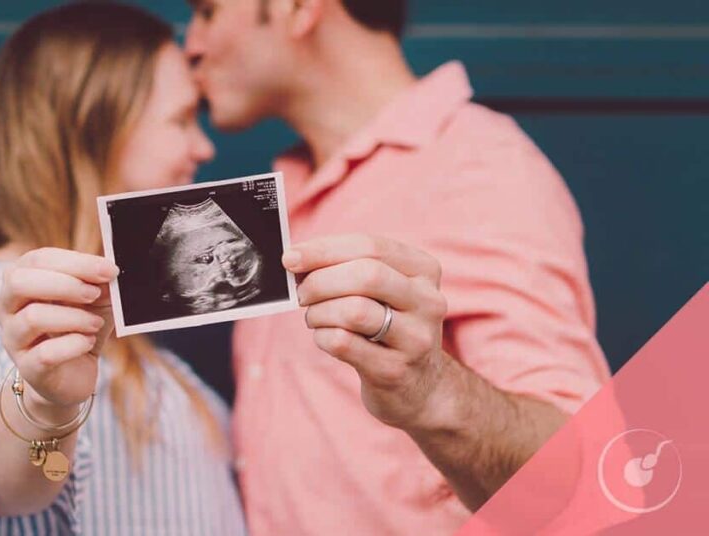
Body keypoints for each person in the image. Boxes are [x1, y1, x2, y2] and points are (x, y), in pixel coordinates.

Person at [184, 0, 612, 533]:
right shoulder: (278, 197)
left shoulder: (478, 167)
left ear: (299, 8)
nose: (191, 45)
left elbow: (575, 476)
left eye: (206, 11)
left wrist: (429, 390)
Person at [0, 3, 246, 534]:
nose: (202, 146)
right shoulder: (9, 303)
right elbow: (12, 488)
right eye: (181, 119)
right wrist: (46, 403)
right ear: (94, 126)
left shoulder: (127, 334)